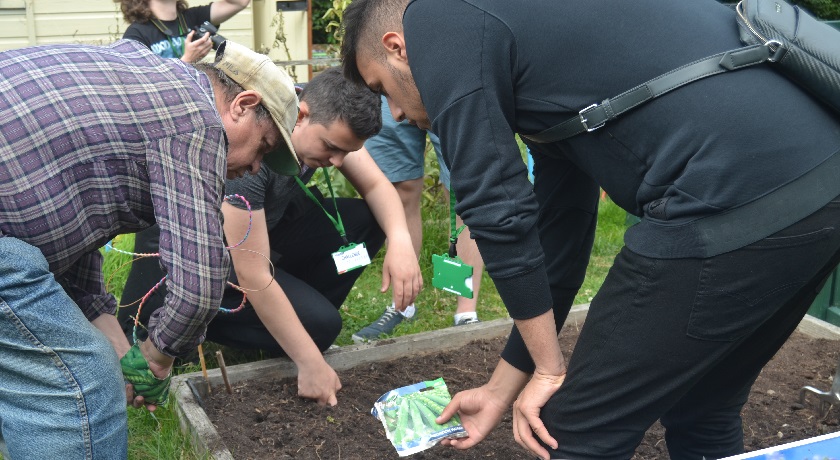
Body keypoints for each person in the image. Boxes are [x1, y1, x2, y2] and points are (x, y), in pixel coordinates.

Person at [340, 0, 840, 458]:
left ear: (397, 47)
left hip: (732, 189)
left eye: (384, 90)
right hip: (822, 182)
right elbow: (560, 235)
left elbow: (494, 204)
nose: (398, 114)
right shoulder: (542, 61)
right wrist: (501, 387)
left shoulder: (436, 15)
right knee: (703, 407)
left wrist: (551, 371)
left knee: (575, 431)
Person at [0, 38, 300, 459]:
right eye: (263, 148)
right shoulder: (195, 119)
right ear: (242, 105)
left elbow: (77, 227)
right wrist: (157, 357)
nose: (254, 168)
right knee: (81, 385)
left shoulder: (143, 83)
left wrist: (125, 352)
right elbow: (198, 287)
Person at [118, 66, 421, 407]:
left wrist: (401, 242)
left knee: (367, 221)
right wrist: (310, 362)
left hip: (259, 236)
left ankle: (290, 319)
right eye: (332, 147)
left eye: (346, 152)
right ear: (301, 116)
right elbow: (252, 274)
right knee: (321, 328)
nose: (338, 162)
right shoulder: (248, 156)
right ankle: (210, 327)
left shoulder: (322, 111)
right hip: (198, 259)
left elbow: (377, 184)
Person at [351, 96, 485, 343]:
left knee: (462, 195)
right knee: (399, 191)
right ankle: (402, 305)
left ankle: (466, 311)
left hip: (445, 82)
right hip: (386, 87)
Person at [117, 0, 250, 63]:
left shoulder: (192, 17)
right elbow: (140, 84)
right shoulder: (135, 34)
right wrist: (187, 60)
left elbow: (240, 2)